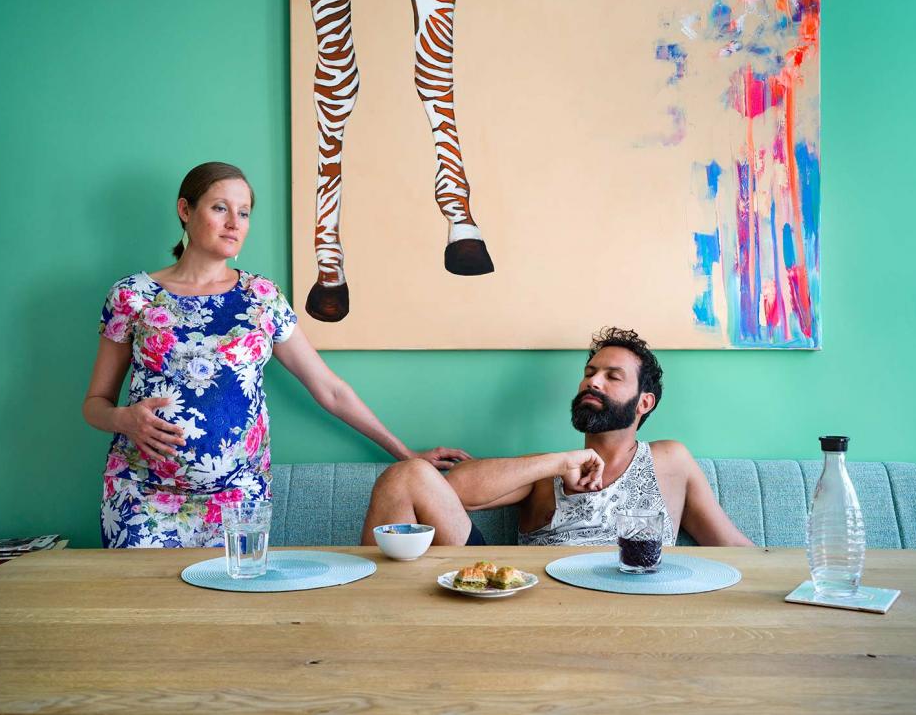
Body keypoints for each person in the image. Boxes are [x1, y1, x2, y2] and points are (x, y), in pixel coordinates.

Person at [83, 162, 469, 548]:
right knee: (142, 610)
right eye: (220, 208)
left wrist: (405, 453)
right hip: (141, 497)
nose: (234, 222)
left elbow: (329, 389)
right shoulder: (131, 296)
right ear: (186, 210)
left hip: (238, 501)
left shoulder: (261, 297)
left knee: (231, 606)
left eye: (244, 212)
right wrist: (124, 419)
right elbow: (94, 404)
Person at [361, 327, 753, 547]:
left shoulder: (670, 461)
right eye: (589, 372)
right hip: (526, 606)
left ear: (643, 402)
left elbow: (732, 548)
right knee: (406, 475)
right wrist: (557, 463)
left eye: (611, 376)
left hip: (633, 612)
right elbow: (450, 491)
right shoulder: (548, 469)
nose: (592, 381)